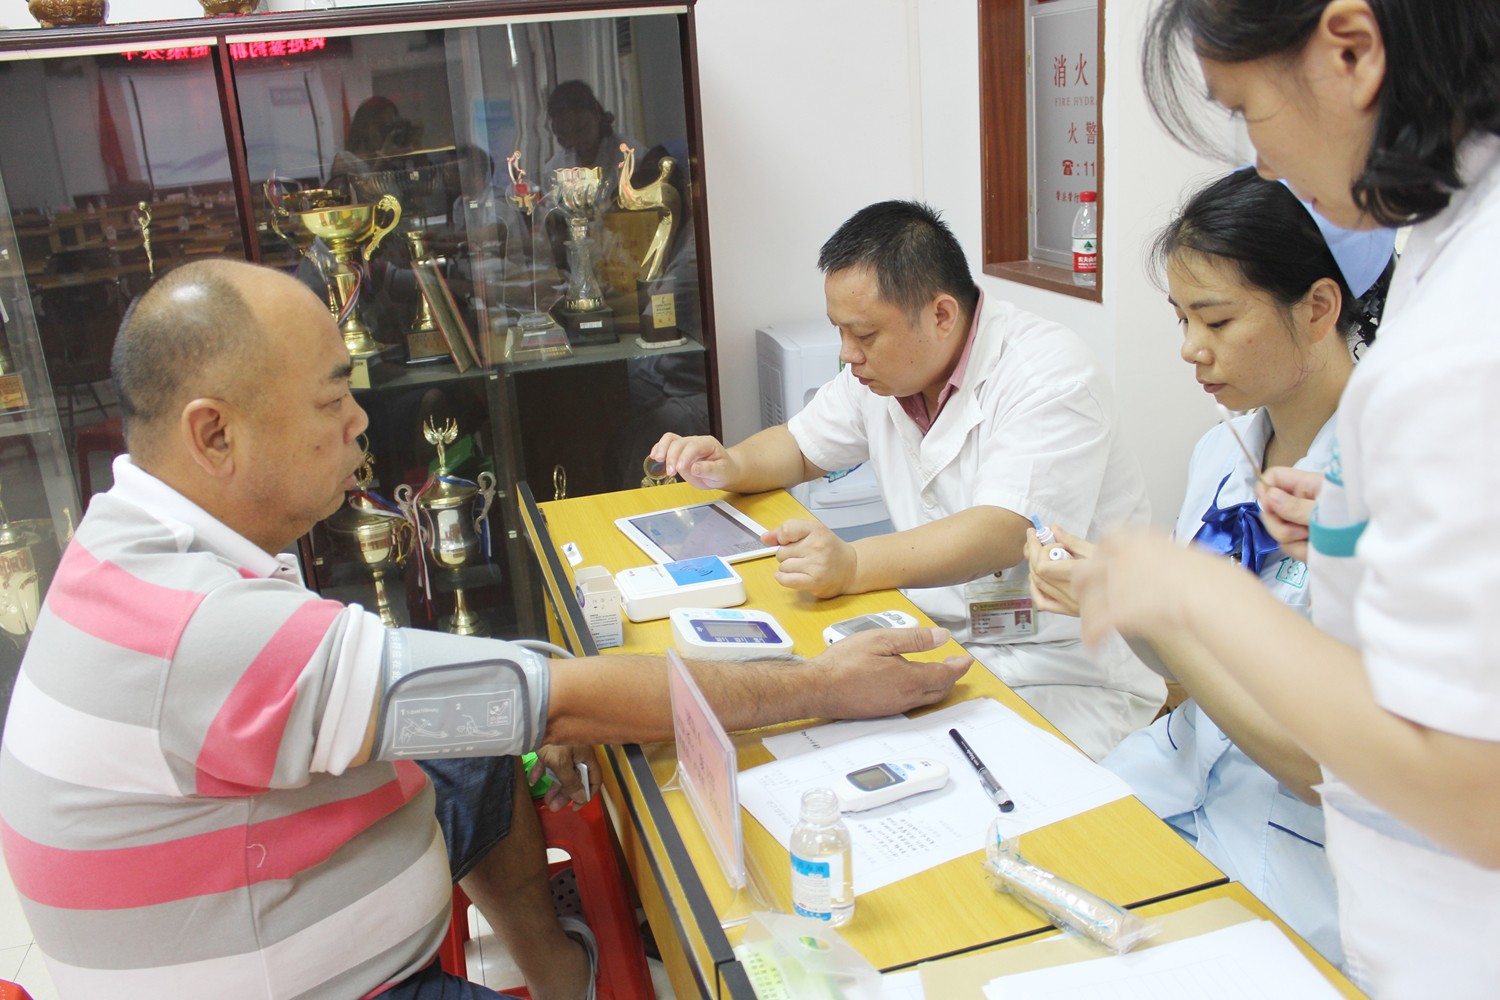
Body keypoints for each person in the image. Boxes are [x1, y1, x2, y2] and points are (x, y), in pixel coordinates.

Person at [0, 258, 971, 999]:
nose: (358, 424)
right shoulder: (205, 630)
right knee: (525, 717)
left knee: (476, 743)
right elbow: (561, 703)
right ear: (214, 433)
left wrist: (531, 688)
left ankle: (561, 972)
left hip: (265, 903)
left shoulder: (127, 545)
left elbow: (499, 694)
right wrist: (826, 683)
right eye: (332, 398)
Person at [1069, 2, 1500, 993]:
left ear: (1351, 51)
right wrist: (1346, 534)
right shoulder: (1444, 271)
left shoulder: (1463, 337)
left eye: (1246, 110)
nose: (1260, 160)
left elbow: (1469, 783)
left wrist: (1192, 596)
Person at [1027, 166, 1394, 965]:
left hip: (1306, 857)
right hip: (1176, 780)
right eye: (1182, 318)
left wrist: (1159, 608)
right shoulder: (1221, 456)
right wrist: (1113, 594)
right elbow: (1186, 669)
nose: (1191, 348)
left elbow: (1331, 768)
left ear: (1319, 308)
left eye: (1217, 320)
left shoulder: (1392, 490)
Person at [653, 200, 1162, 761]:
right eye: (840, 332)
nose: (848, 354)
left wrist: (851, 564)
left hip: (1062, 667)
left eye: (864, 334)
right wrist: (731, 464)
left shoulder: (1049, 375)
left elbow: (1003, 531)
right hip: (940, 635)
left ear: (941, 315)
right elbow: (799, 446)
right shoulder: (885, 374)